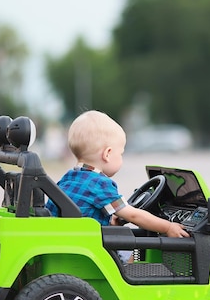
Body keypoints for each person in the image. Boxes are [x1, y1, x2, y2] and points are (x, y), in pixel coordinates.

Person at [45, 110, 189, 263]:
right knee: (125, 244)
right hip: (90, 248)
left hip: (66, 241)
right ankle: (131, 281)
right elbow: (133, 215)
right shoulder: (100, 184)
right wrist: (168, 227)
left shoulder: (69, 176)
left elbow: (85, 208)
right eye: (120, 153)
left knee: (117, 229)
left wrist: (111, 218)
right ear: (107, 154)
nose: (121, 158)